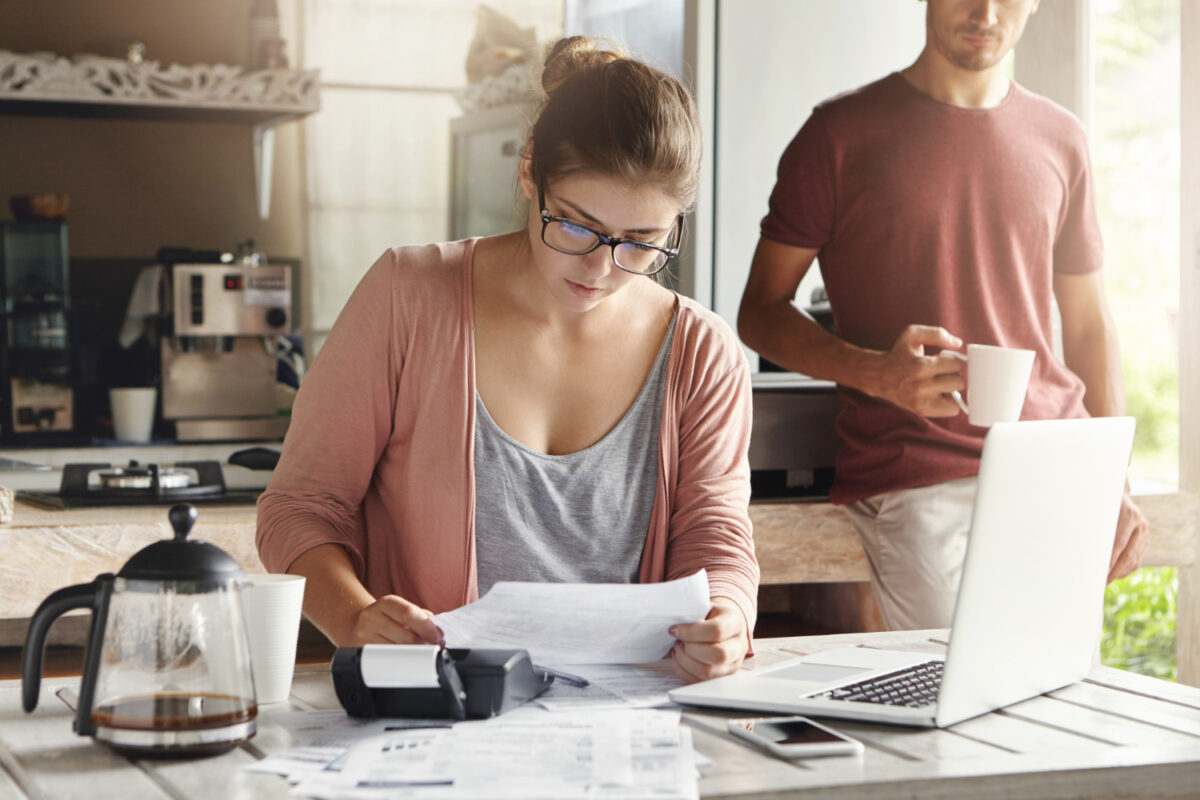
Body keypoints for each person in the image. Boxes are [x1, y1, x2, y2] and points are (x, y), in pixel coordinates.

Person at [257, 36, 759, 682]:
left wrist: (727, 615)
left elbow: (717, 536)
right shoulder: (406, 298)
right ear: (529, 172)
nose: (602, 269)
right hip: (437, 725)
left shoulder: (702, 354)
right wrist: (356, 620)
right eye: (575, 226)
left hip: (628, 735)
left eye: (641, 244)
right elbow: (298, 510)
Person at [737, 0, 1149, 631]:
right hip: (920, 477)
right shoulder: (838, 134)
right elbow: (759, 312)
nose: (985, 11)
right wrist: (877, 374)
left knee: (1055, 701)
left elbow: (1090, 322)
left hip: (1055, 466)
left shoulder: (1063, 138)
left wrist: (1110, 475)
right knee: (952, 703)